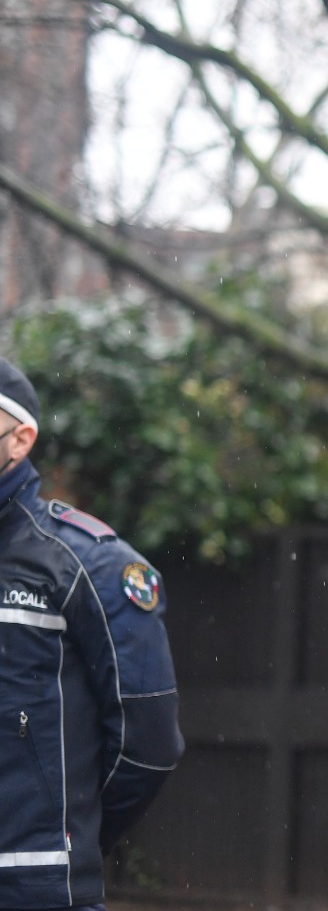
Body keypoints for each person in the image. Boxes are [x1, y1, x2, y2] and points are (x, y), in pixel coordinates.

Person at [0, 357, 184, 911]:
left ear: (20, 440)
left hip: (37, 894)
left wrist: (66, 843)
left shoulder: (89, 567)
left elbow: (148, 745)